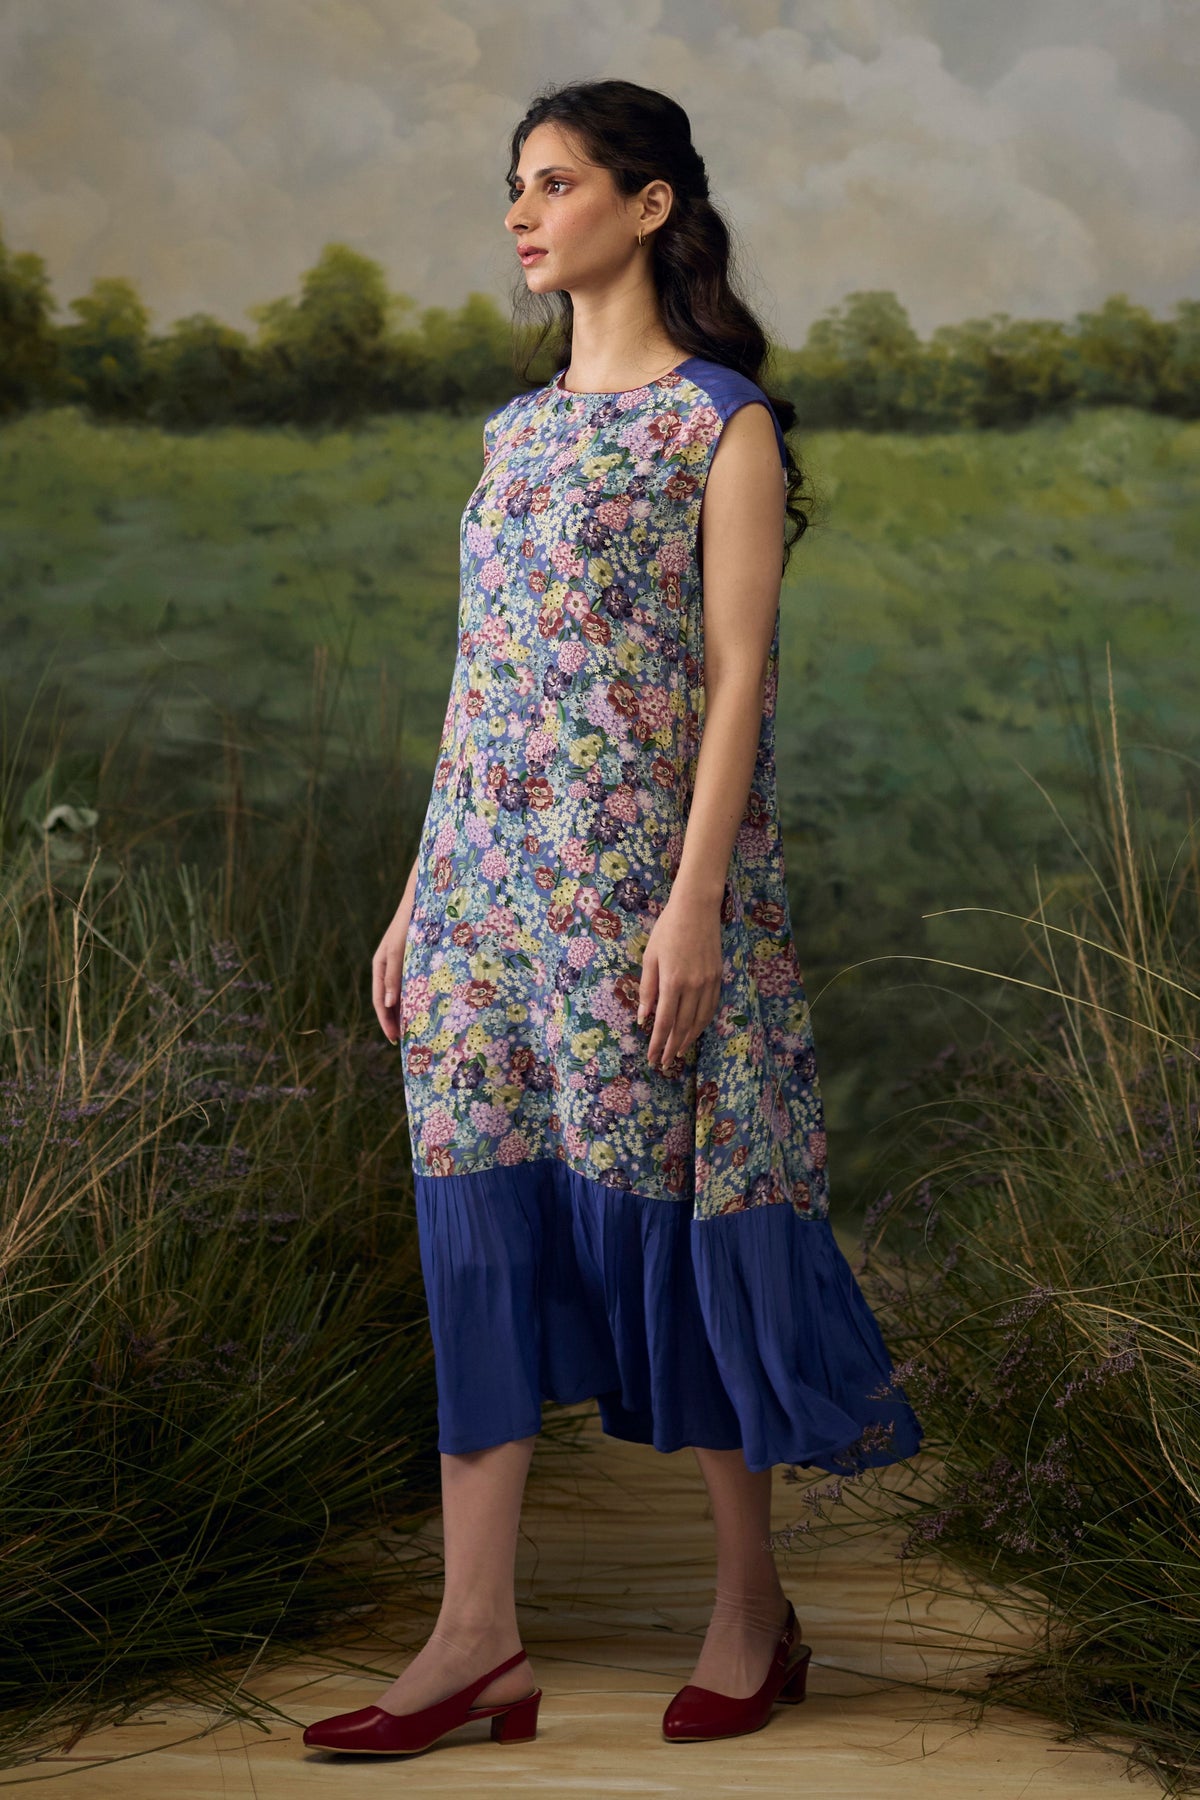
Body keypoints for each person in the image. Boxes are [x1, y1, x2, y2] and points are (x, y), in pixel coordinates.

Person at [303, 77, 922, 1761]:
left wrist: (698, 903)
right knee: (478, 1241)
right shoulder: (512, 437)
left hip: (639, 905)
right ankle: (474, 1639)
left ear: (647, 206)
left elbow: (739, 682)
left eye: (556, 181)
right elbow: (479, 685)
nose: (521, 211)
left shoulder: (716, 422)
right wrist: (418, 893)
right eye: (515, 185)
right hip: (487, 914)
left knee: (686, 1222)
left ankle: (750, 1608)